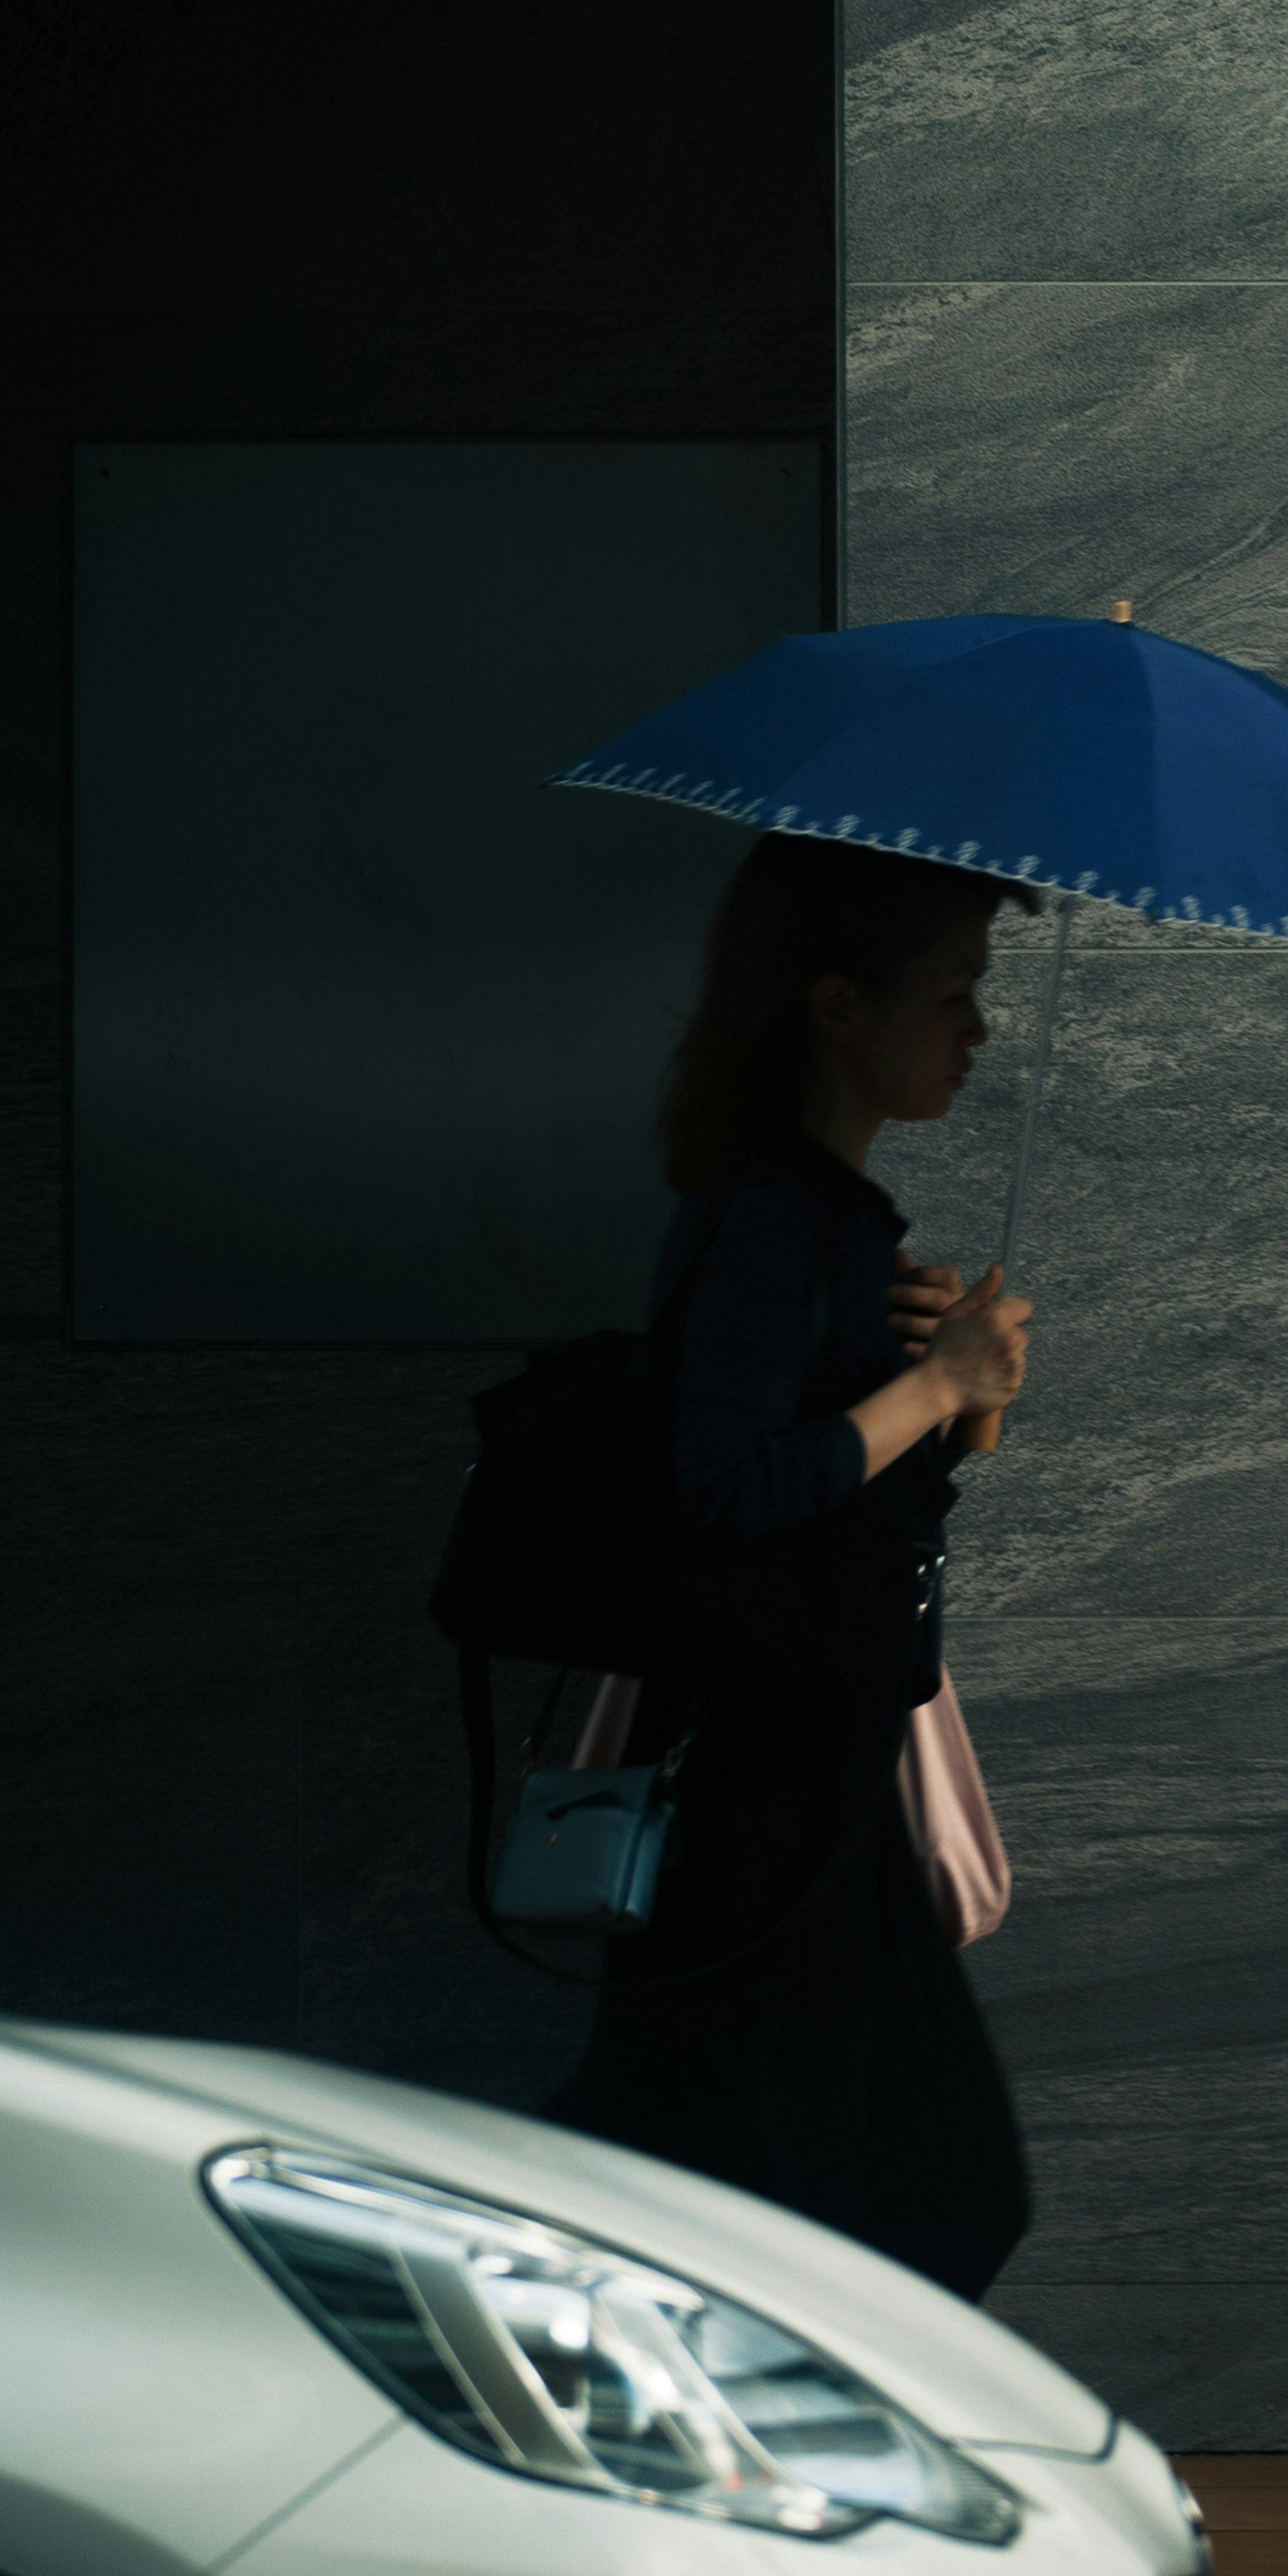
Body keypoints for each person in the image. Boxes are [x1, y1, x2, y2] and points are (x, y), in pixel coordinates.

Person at [542, 832, 1037, 2304]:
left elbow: (847, 1495)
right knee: (875, 2201)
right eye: (954, 990)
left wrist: (964, 1394)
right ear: (838, 1006)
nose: (979, 1030)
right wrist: (929, 1390)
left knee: (825, 2195)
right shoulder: (774, 1217)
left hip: (821, 1779)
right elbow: (728, 1492)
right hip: (767, 1792)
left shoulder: (832, 1227)